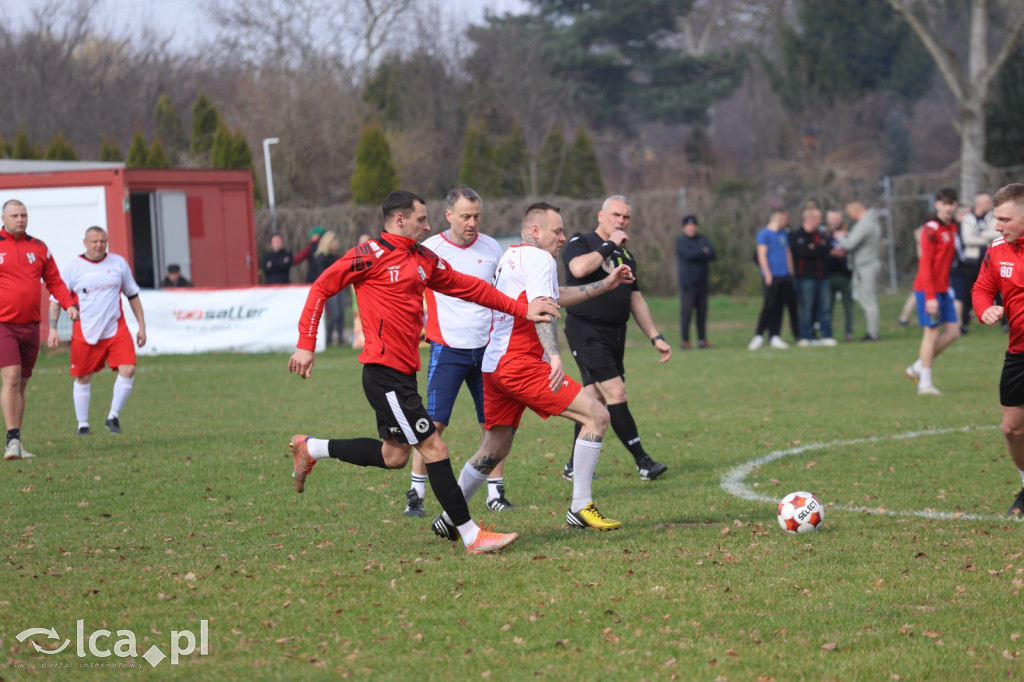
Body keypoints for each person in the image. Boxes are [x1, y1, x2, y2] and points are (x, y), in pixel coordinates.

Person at [286, 190, 559, 555]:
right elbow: (322, 287)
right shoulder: (369, 255)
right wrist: (306, 343)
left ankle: (312, 448)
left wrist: (520, 309)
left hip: (403, 374)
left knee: (394, 456)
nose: (428, 226)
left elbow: (470, 287)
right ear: (400, 220)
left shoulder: (422, 258)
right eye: (421, 219)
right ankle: (470, 535)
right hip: (383, 373)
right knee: (434, 446)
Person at [430, 202, 635, 541]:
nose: (563, 237)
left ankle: (451, 515)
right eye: (558, 231)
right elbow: (542, 310)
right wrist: (554, 355)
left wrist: (604, 285)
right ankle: (580, 506)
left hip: (494, 365)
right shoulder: (540, 258)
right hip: (520, 364)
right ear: (536, 231)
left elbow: (555, 297)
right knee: (597, 416)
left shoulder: (511, 256)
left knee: (495, 448)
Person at [404, 186, 513, 518]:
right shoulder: (429, 250)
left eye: (477, 216)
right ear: (449, 215)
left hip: (487, 351)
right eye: (466, 216)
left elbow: (501, 294)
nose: (472, 223)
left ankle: (495, 494)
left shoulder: (492, 247)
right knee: (433, 425)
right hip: (447, 349)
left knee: (494, 424)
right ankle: (416, 495)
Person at [560, 195, 671, 482]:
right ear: (601, 216)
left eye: (626, 217)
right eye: (616, 215)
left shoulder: (625, 255)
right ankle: (643, 461)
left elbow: (636, 300)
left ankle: (573, 466)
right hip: (586, 331)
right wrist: (610, 243)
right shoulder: (581, 242)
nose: (621, 221)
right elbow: (579, 269)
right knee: (616, 393)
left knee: (594, 398)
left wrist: (655, 337)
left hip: (615, 335)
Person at [46, 227, 146, 435]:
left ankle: (113, 417)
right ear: (85, 243)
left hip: (115, 327)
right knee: (83, 377)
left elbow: (132, 295)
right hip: (85, 330)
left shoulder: (118, 263)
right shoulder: (73, 267)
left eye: (102, 241)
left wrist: (142, 327)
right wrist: (52, 330)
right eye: (94, 241)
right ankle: (82, 425)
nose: (99, 245)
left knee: (129, 368)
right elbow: (56, 300)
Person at [0, 199, 79, 460]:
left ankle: (16, 441)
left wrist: (68, 304)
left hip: (31, 325)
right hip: (3, 325)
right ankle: (12, 440)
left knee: (21, 383)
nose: (20, 219)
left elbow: (54, 281)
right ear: (4, 218)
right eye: (14, 215)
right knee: (11, 377)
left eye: (23, 215)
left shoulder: (39, 247)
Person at [972, 183, 1024, 515]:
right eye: (996, 218)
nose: (997, 226)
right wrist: (984, 309)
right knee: (1012, 429)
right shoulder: (997, 248)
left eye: (1004, 219)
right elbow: (981, 288)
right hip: (1018, 352)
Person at [905, 188, 961, 395]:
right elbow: (926, 265)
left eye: (951, 203)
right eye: (944, 203)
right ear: (937, 204)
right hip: (928, 291)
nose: (948, 207)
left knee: (953, 333)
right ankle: (925, 384)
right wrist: (930, 296)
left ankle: (917, 367)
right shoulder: (930, 229)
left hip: (944, 290)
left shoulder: (952, 227)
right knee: (931, 334)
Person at [749, 209, 794, 351]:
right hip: (771, 276)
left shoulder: (783, 234)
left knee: (779, 307)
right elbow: (761, 255)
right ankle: (758, 335)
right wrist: (767, 273)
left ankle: (775, 336)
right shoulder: (764, 234)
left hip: (784, 275)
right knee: (769, 305)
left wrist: (790, 271)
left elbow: (787, 253)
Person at [790, 207, 836, 346]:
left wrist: (814, 248)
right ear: (810, 219)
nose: (820, 221)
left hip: (823, 277)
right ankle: (806, 336)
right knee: (806, 308)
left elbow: (828, 247)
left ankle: (826, 335)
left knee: (825, 308)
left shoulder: (821, 235)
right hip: (805, 277)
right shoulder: (797, 235)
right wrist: (817, 249)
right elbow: (803, 252)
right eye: (818, 218)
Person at [840, 201, 882, 341]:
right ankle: (872, 331)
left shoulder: (865, 223)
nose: (850, 217)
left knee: (868, 299)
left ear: (856, 210)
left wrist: (839, 236)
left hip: (865, 265)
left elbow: (849, 244)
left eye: (850, 213)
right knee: (869, 299)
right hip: (869, 263)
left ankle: (872, 333)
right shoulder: (872, 221)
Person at [958, 191, 999, 334]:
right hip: (972, 262)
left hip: (991, 260)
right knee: (968, 293)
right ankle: (964, 324)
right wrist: (987, 237)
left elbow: (998, 233)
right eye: (987, 202)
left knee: (999, 292)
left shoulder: (993, 216)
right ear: (978, 203)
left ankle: (1005, 323)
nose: (990, 204)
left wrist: (980, 234)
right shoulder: (968, 219)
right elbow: (967, 239)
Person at [675, 214, 717, 349]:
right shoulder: (681, 241)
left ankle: (702, 340)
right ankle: (686, 341)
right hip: (688, 283)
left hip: (702, 282)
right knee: (687, 313)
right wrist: (702, 251)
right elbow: (688, 255)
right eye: (689, 226)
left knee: (702, 313)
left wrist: (699, 252)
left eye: (693, 226)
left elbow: (712, 254)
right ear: (684, 227)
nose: (691, 228)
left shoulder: (703, 239)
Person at [307, 231, 345, 345]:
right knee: (334, 314)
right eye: (335, 242)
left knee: (341, 313)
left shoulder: (336, 257)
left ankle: (340, 338)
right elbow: (322, 276)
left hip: (340, 287)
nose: (337, 245)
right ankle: (328, 338)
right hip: (330, 290)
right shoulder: (320, 258)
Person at [824, 209, 854, 342]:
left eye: (837, 218)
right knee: (827, 306)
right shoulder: (824, 233)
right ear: (827, 219)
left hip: (845, 274)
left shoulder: (849, 231)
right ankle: (828, 333)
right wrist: (831, 252)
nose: (834, 221)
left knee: (848, 305)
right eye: (832, 218)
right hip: (828, 275)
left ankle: (849, 332)